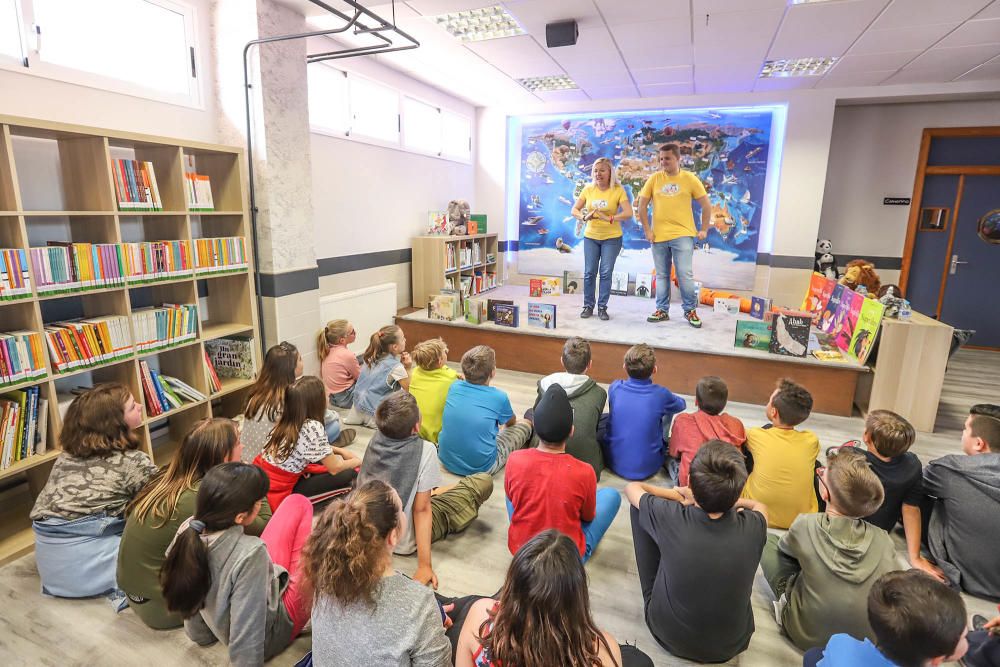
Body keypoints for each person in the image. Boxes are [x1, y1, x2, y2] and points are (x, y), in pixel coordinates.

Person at [118, 418, 271, 630]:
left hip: (138, 595)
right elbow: (264, 527)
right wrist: (251, 479)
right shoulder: (205, 494)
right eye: (238, 443)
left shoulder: (168, 476)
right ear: (222, 455)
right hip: (166, 608)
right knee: (251, 550)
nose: (243, 446)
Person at [626, 441, 768, 664]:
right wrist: (731, 501)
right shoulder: (754, 526)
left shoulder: (670, 515)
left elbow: (632, 488)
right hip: (732, 645)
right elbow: (760, 507)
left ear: (691, 482)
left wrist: (680, 495)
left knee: (639, 509)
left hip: (667, 635)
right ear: (739, 489)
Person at [161, 463, 312, 666]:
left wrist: (200, 634)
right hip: (270, 634)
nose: (261, 506)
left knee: (296, 502)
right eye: (259, 502)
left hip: (227, 615)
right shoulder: (250, 553)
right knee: (321, 558)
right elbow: (247, 636)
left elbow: (190, 589)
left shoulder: (189, 529)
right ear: (240, 516)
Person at [761, 447, 899, 651]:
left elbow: (785, 550)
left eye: (821, 473)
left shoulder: (806, 524)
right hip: (866, 640)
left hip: (805, 634)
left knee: (768, 541)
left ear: (824, 492)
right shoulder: (883, 539)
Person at [304, 480, 453, 667]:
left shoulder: (325, 574)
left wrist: (429, 615)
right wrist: (429, 620)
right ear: (392, 536)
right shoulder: (419, 605)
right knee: (469, 611)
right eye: (401, 510)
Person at [30, 384, 156, 602]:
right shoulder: (132, 462)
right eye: (132, 406)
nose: (141, 406)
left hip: (52, 569)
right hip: (91, 568)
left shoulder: (65, 457)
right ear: (114, 423)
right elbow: (165, 499)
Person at [455, 530, 652, 667]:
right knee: (639, 659)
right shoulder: (599, 651)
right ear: (577, 597)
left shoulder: (480, 615)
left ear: (511, 585)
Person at [357, 392, 493, 588]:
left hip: (376, 535)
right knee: (482, 481)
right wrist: (424, 565)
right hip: (403, 539)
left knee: (436, 490)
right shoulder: (426, 449)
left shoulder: (375, 439)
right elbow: (422, 510)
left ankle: (438, 491)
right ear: (417, 426)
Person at [507, 384, 621, 562]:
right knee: (611, 495)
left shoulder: (514, 459)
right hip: (565, 564)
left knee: (512, 492)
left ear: (535, 427)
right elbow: (588, 516)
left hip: (522, 554)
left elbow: (512, 497)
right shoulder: (585, 471)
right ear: (572, 431)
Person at [803, 570, 969, 667]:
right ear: (936, 660)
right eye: (963, 636)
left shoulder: (840, 643)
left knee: (813, 655)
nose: (969, 634)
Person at [923, 403, 1000, 600]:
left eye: (965, 428)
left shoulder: (950, 470)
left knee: (919, 495)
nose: (962, 432)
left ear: (979, 443)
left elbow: (914, 483)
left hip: (967, 580)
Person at [855, 410, 944, 581]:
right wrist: (915, 558)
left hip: (845, 526)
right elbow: (911, 509)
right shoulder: (912, 465)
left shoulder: (853, 457)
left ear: (866, 437)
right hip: (880, 532)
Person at [254, 375, 361, 510]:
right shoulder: (312, 426)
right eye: (324, 393)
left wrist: (341, 450)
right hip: (280, 489)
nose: (328, 395)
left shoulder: (286, 418)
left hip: (264, 477)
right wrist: (357, 461)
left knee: (327, 461)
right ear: (315, 401)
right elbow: (335, 468)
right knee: (351, 475)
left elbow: (308, 446)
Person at [636, 143, 712, 328]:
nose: (663, 162)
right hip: (658, 237)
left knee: (684, 274)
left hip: (683, 234)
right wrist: (647, 230)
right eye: (661, 159)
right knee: (662, 275)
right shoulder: (654, 179)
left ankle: (690, 311)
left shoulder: (690, 179)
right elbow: (641, 206)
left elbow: (706, 205)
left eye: (667, 158)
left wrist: (704, 229)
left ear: (678, 159)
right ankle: (662, 310)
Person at [241, 341, 352, 464]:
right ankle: (323, 451)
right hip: (274, 462)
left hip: (248, 457)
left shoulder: (256, 392)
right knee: (334, 426)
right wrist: (334, 415)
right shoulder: (291, 395)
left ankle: (325, 449)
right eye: (300, 359)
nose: (302, 363)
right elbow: (313, 423)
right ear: (291, 368)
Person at [438, 345, 533, 476]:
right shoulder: (499, 397)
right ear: (493, 372)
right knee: (525, 424)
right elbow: (511, 423)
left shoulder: (454, 387)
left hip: (445, 459)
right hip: (482, 468)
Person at [741, 378, 821, 529]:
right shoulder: (811, 440)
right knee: (814, 465)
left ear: (773, 411)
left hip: (755, 513)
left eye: (769, 400)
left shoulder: (756, 435)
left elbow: (738, 438)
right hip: (800, 521)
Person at [601, 343, 686, 480]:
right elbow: (681, 405)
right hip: (650, 466)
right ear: (654, 370)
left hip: (613, 462)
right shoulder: (661, 394)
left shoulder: (615, 387)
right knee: (667, 410)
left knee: (612, 416)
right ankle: (663, 445)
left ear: (624, 367)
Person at [529, 336, 608, 480]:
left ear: (561, 361)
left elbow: (537, 414)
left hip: (545, 454)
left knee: (530, 413)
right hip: (586, 464)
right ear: (590, 364)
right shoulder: (599, 393)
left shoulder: (544, 384)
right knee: (604, 422)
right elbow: (594, 427)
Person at [570, 157, 634, 321]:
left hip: (612, 238)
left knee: (605, 273)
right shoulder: (588, 189)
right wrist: (584, 217)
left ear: (610, 172)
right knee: (589, 272)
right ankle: (588, 305)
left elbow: (628, 213)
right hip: (591, 237)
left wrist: (610, 218)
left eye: (602, 170)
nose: (598, 174)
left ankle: (602, 307)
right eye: (596, 171)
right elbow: (574, 210)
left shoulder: (618, 190)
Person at [666, 375, 746, 486]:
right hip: (727, 488)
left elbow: (673, 452)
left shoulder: (683, 421)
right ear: (724, 404)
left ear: (696, 401)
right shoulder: (736, 424)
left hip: (692, 486)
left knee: (667, 455)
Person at [344, 324, 411, 428]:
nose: (405, 340)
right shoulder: (396, 367)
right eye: (403, 339)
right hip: (376, 415)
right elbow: (409, 388)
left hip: (356, 409)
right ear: (395, 347)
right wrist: (408, 368)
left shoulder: (370, 358)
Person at [409, 337, 459, 444]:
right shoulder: (451, 381)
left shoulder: (415, 372)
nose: (447, 351)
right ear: (440, 361)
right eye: (444, 351)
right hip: (434, 438)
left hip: (413, 430)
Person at [317, 318, 361, 408]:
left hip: (332, 399)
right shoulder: (347, 355)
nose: (355, 332)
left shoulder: (326, 350)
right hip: (347, 398)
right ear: (342, 340)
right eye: (352, 332)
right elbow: (360, 378)